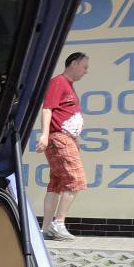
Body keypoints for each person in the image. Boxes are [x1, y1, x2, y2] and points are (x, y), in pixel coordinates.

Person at [35, 51, 89, 241]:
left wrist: (76, 140)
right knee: (76, 179)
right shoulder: (58, 82)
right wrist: (44, 134)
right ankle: (58, 223)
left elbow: (66, 114)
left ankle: (46, 228)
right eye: (84, 67)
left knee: (56, 183)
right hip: (59, 138)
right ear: (73, 64)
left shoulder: (68, 86)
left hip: (65, 138)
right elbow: (47, 109)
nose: (86, 71)